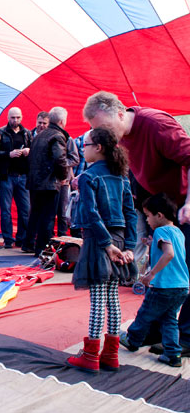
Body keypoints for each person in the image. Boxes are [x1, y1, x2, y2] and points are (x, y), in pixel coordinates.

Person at [83, 91, 190, 354]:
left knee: (184, 270)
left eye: (104, 128)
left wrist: (189, 203)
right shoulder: (120, 137)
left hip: (183, 204)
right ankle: (153, 330)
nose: (103, 137)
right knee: (162, 273)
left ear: (120, 114)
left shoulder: (157, 125)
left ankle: (186, 336)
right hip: (165, 210)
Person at [66, 127, 137, 373]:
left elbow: (91, 213)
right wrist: (129, 247)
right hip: (119, 240)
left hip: (99, 241)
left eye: (85, 145)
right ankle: (111, 355)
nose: (82, 149)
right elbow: (130, 213)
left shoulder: (88, 176)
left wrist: (106, 244)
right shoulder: (121, 176)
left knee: (97, 299)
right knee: (112, 298)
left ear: (98, 147)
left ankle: (90, 355)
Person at [119, 193, 189, 367]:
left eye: (148, 215)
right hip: (181, 286)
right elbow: (173, 251)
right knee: (169, 320)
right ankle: (173, 354)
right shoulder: (178, 232)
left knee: (145, 314)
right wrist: (152, 244)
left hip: (163, 286)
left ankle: (132, 339)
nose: (147, 220)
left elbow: (169, 254)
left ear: (159, 215)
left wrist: (152, 274)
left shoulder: (160, 231)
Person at [25, 106, 69, 256]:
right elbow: (59, 158)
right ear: (62, 121)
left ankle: (29, 244)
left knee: (35, 214)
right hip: (49, 183)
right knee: (48, 217)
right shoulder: (57, 136)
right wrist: (63, 176)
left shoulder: (38, 135)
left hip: (34, 181)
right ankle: (42, 249)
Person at [0, 107, 32, 249]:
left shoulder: (27, 133)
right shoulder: (0, 132)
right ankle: (8, 239)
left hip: (23, 176)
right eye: (13, 117)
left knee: (25, 209)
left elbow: (35, 151)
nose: (15, 120)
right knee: (6, 210)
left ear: (21, 117)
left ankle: (22, 238)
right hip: (7, 176)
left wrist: (29, 150)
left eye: (18, 117)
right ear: (8, 117)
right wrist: (8, 154)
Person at [56, 136, 80, 236]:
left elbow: (75, 159)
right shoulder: (38, 136)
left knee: (62, 211)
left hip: (63, 181)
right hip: (46, 181)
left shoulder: (67, 139)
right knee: (47, 212)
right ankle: (47, 238)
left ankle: (62, 236)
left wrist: (60, 163)